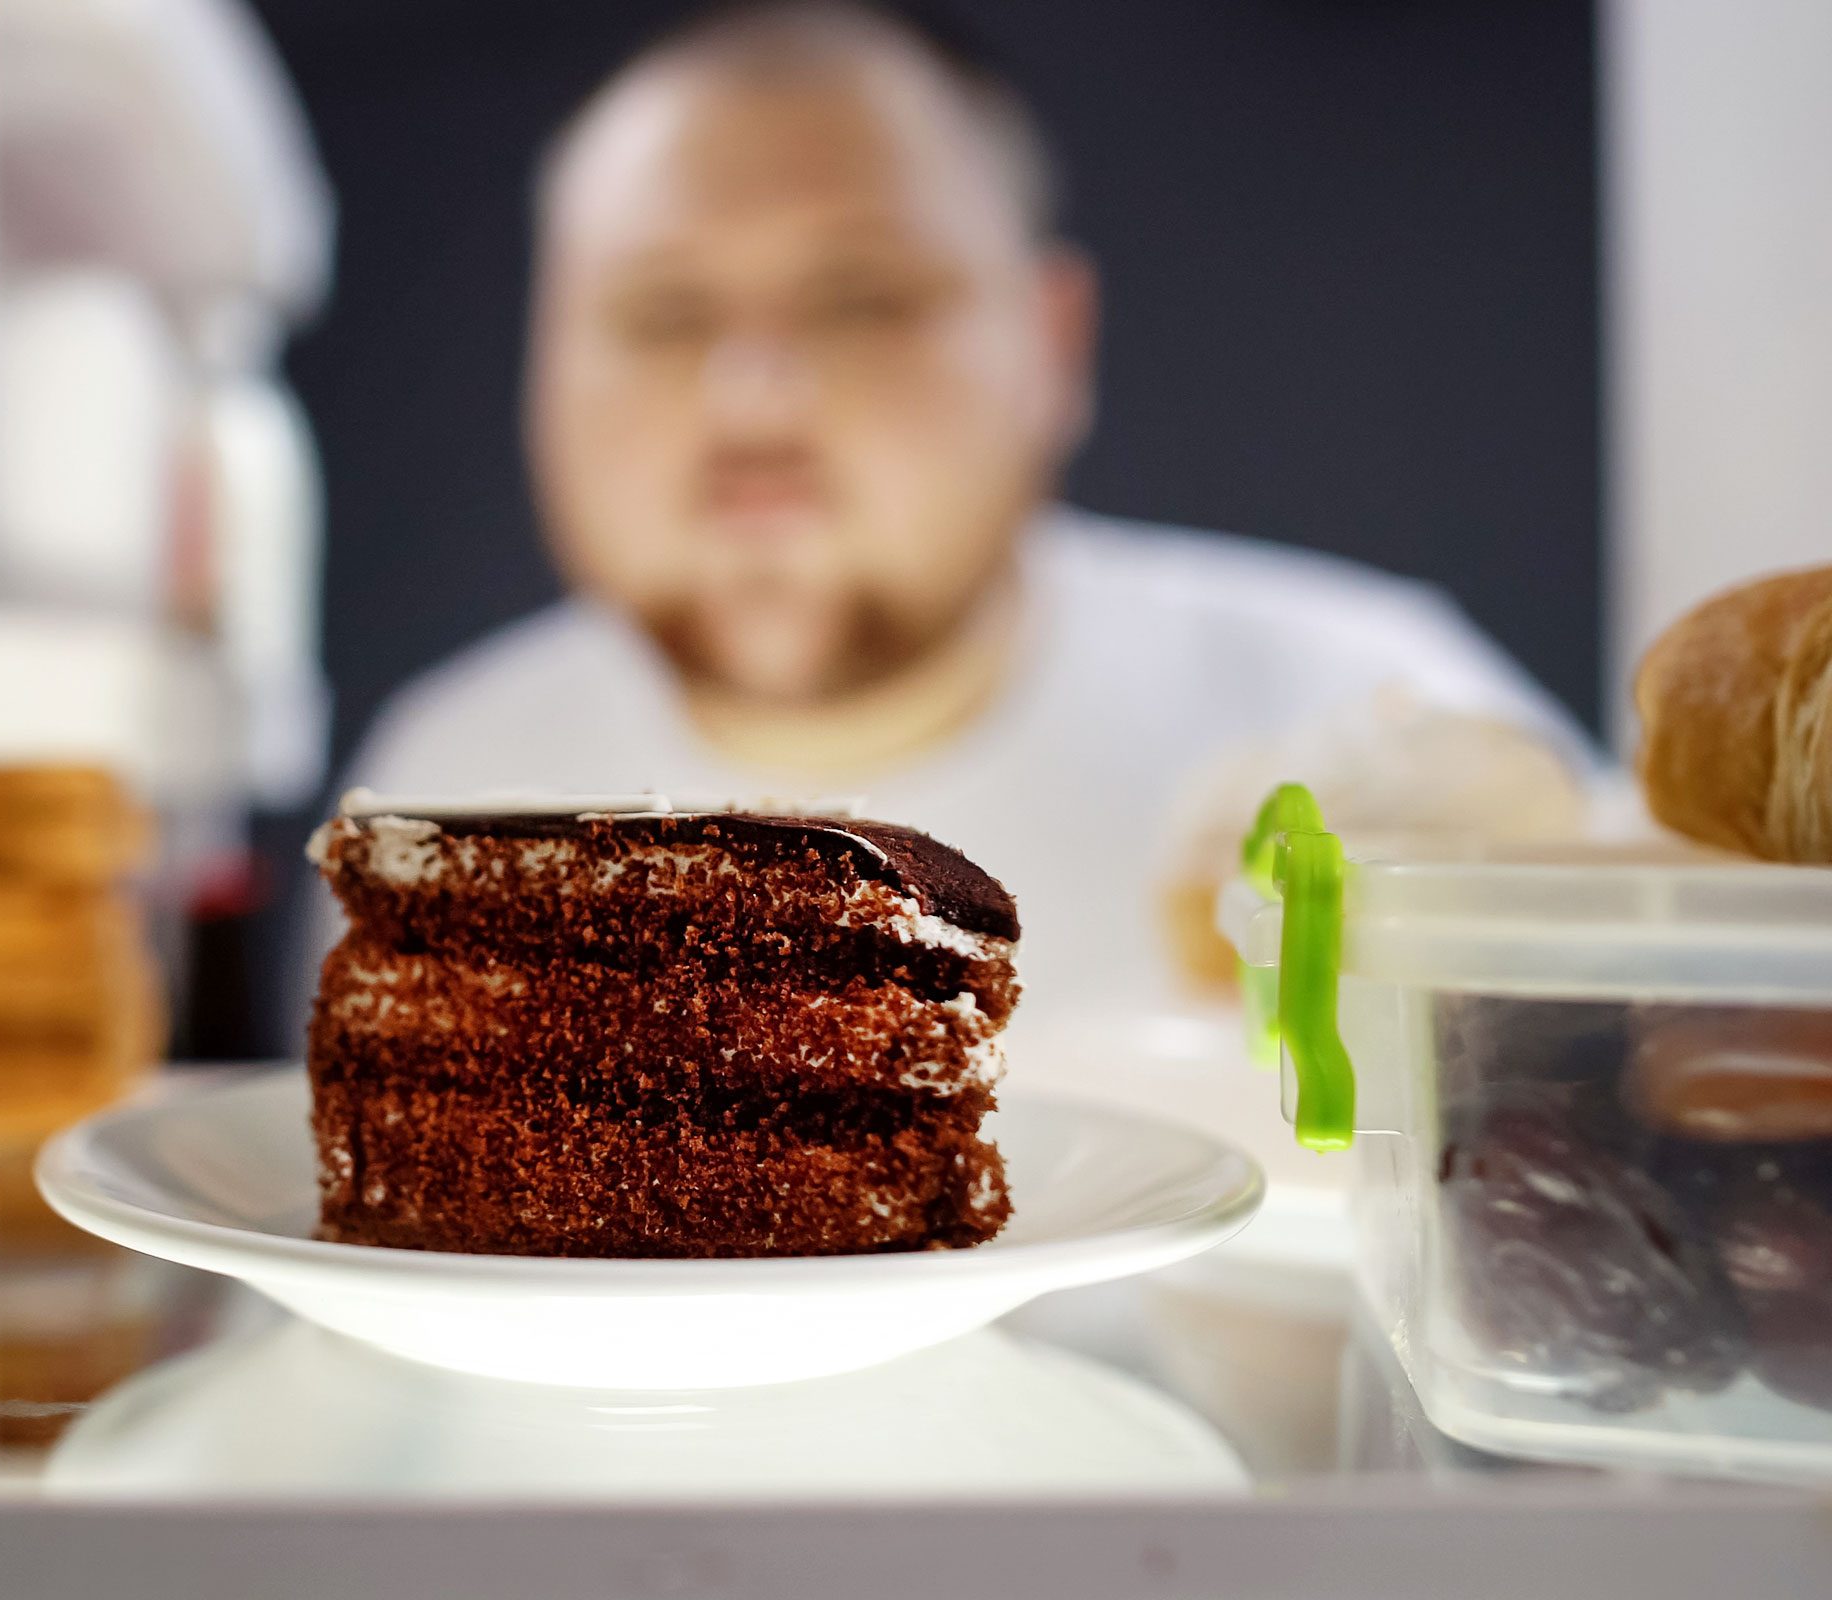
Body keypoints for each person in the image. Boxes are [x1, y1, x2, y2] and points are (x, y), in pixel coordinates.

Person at [321, 0, 1583, 1023]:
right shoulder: (439, 791)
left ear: (1053, 344)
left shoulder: (1384, 726)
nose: (753, 397)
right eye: (664, 313)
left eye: (860, 298)